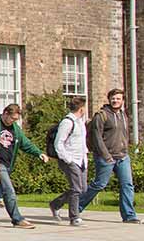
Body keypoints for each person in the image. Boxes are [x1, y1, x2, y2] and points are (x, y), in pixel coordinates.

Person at [80, 89, 144, 224]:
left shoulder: (123, 115)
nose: (115, 101)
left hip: (123, 156)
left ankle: (129, 216)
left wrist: (127, 149)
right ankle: (76, 208)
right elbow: (97, 138)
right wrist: (106, 156)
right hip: (106, 157)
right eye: (113, 98)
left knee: (127, 185)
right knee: (99, 184)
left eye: (118, 99)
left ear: (123, 100)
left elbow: (125, 134)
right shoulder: (101, 115)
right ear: (109, 100)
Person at [0, 104, 48, 229]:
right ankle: (17, 219)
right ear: (5, 113)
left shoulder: (15, 129)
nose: (13, 121)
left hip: (7, 165)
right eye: (12, 118)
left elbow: (25, 143)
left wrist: (39, 153)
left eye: (16, 119)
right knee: (9, 190)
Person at [50, 96, 88, 226]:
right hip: (71, 159)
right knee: (76, 188)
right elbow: (58, 143)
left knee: (82, 188)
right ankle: (74, 217)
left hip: (81, 159)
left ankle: (56, 204)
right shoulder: (67, 122)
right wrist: (68, 159)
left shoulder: (80, 122)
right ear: (82, 109)